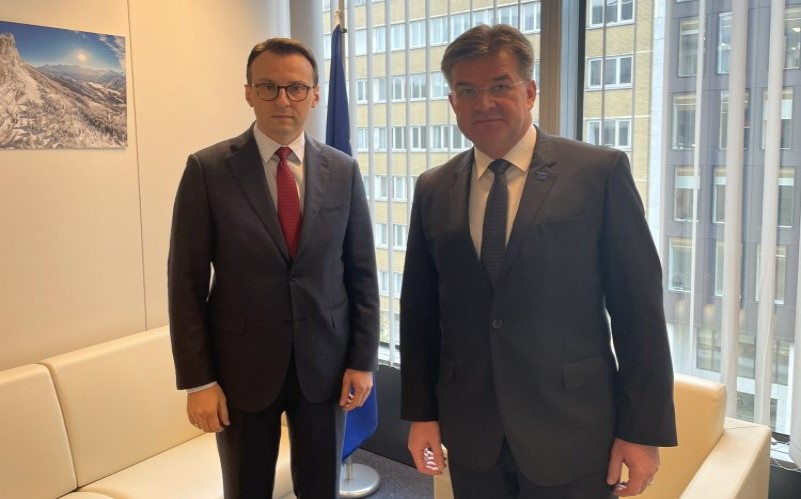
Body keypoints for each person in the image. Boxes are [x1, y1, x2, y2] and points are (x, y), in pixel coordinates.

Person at [400, 24, 676, 499]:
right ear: (452, 102)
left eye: (500, 86)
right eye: (467, 91)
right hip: (472, 431)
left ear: (530, 92)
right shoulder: (433, 187)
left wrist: (642, 431)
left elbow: (639, 312)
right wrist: (421, 414)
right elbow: (420, 314)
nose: (484, 103)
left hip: (572, 429)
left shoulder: (598, 172)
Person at [168, 37, 379, 499]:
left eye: (296, 88)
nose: (283, 100)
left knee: (320, 488)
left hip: (325, 366)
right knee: (246, 489)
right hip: (241, 370)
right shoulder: (207, 170)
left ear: (315, 95)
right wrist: (199, 380)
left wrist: (362, 361)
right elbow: (185, 284)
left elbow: (361, 274)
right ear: (248, 92)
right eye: (268, 87)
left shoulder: (343, 171)